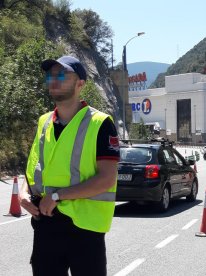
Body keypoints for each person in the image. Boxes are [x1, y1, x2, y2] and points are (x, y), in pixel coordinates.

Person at [19, 55, 119, 276]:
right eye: (51, 75)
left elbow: (107, 179)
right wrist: (24, 195)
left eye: (62, 75)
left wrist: (56, 196)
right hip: (46, 225)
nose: (54, 79)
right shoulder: (44, 121)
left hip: (84, 229)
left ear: (80, 84)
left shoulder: (100, 123)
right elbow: (34, 168)